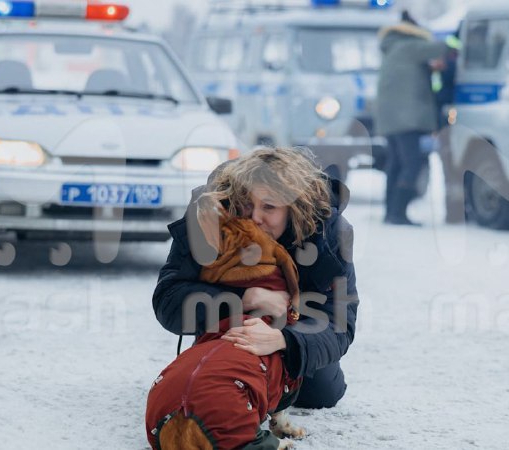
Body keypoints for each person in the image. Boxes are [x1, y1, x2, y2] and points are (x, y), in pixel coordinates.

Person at [152, 147, 358, 409]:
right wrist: (243, 299)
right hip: (227, 326)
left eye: (269, 207)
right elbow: (167, 301)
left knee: (319, 393)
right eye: (246, 204)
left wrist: (283, 340)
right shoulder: (210, 214)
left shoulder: (331, 235)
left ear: (294, 208)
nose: (254, 217)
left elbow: (340, 324)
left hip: (297, 330)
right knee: (214, 387)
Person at [376, 10, 450, 225]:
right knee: (411, 163)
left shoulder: (394, 47)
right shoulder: (408, 46)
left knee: (396, 163)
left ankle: (390, 211)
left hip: (392, 119)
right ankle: (398, 212)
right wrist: (457, 40)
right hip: (404, 120)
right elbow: (442, 47)